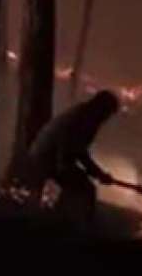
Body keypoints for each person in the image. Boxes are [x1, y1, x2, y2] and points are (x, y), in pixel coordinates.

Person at [27, 90, 121, 225]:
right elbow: (69, 149)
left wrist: (97, 173)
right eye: (108, 113)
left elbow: (79, 150)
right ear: (101, 108)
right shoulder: (83, 119)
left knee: (76, 188)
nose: (107, 118)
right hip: (47, 158)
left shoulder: (85, 116)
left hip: (49, 156)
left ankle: (60, 220)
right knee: (86, 189)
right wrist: (95, 173)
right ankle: (81, 226)